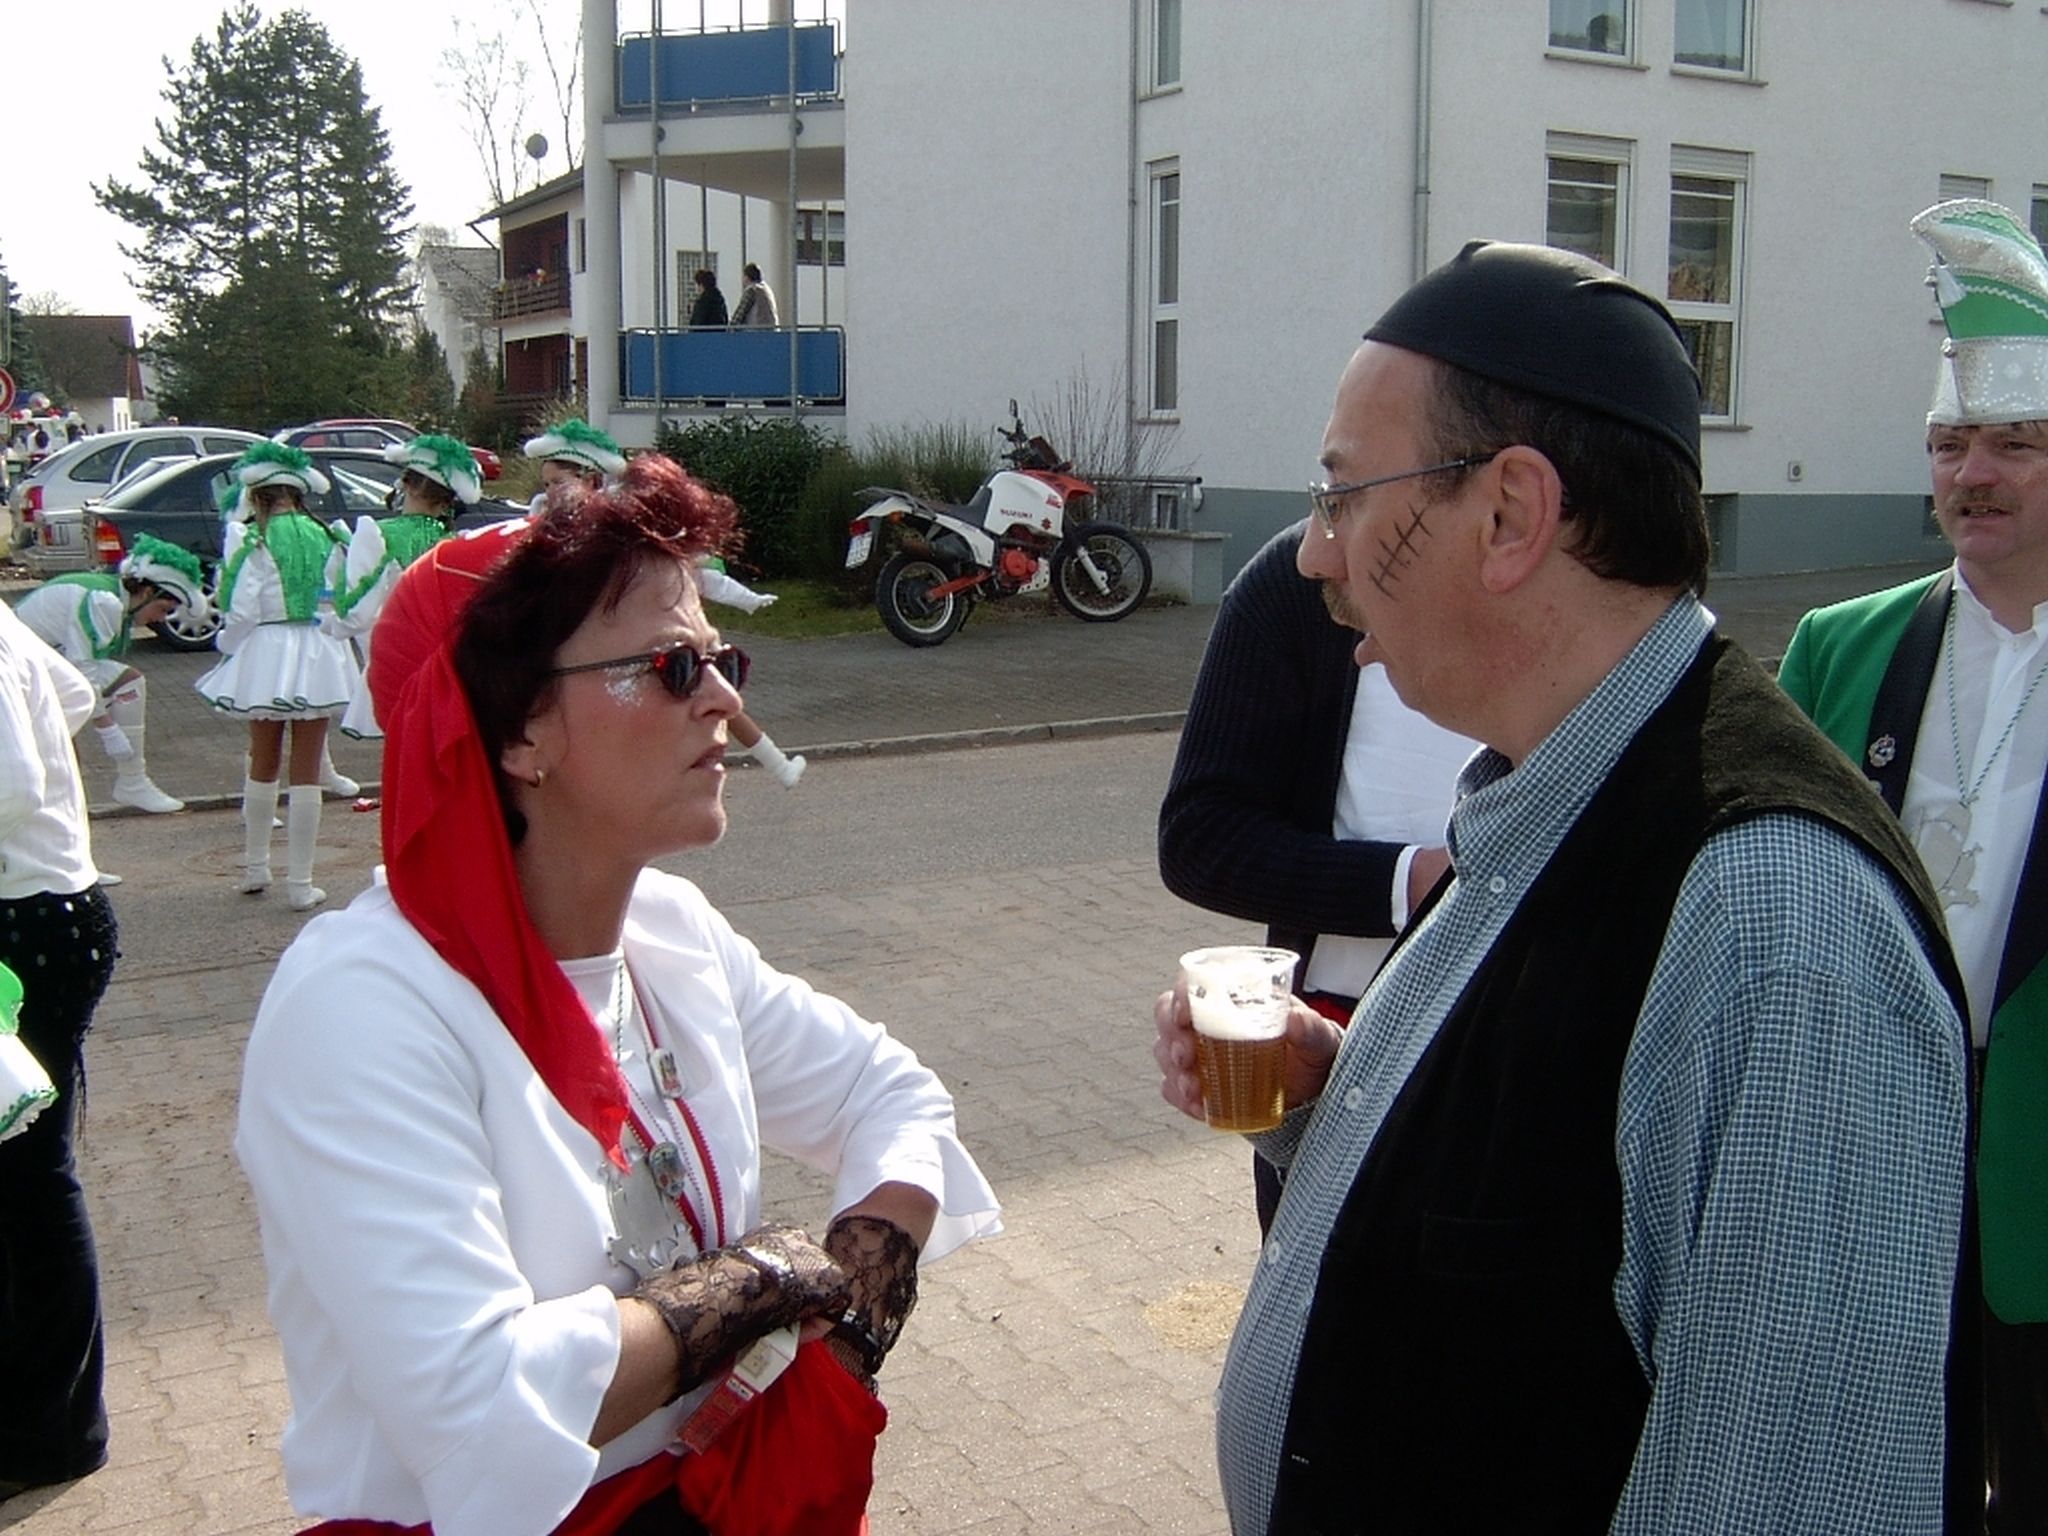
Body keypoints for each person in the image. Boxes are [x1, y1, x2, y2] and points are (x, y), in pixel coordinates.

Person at [1151, 241, 1982, 1534]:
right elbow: (1558, 1218)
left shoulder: (1773, 919)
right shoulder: (1552, 796)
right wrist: (1335, 1100)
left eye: (1341, 494)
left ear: (1509, 516)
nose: (1314, 554)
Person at [235, 453, 999, 1535]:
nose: (728, 701)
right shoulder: (362, 1006)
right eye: (672, 666)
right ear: (517, 731)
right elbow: (475, 1408)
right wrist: (750, 1283)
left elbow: (892, 1093)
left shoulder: (669, 933)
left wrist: (854, 1299)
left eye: (721, 658)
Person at [1779, 198, 2048, 1535]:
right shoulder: (1838, 646)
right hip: (1875, 1174)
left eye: (2014, 443)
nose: (1972, 474)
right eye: (1950, 444)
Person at [1159, 521, 1473, 1233]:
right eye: (1329, 483)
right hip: (1331, 1041)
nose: (1318, 547)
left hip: (1530, 1054)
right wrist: (1411, 883)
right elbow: (1197, 838)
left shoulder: (1588, 579)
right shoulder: (1300, 580)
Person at [0, 598, 118, 1502]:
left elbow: (13, 779)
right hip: (45, 910)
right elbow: (73, 692)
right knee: (25, 1179)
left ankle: (54, 1430)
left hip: (29, 923)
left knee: (29, 1179)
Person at [195, 443, 356, 912]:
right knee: (308, 767)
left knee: (262, 759)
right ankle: (301, 883)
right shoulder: (327, 533)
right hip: (318, 648)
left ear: (256, 495)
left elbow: (241, 608)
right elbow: (338, 598)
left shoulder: (250, 537)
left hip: (266, 649)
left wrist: (229, 645)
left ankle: (255, 867)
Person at [14, 532, 211, 814]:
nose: (160, 618)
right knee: (59, 738)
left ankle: (131, 782)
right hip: (17, 670)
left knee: (128, 682)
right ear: (146, 593)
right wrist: (107, 729)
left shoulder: (109, 597)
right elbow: (83, 671)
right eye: (163, 608)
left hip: (32, 664)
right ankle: (64, 808)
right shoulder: (104, 602)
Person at [331, 435, 476, 741]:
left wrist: (331, 627)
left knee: (400, 752)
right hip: (450, 666)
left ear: (407, 485)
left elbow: (358, 611)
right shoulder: (458, 543)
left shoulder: (376, 533)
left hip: (396, 658)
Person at [730, 263, 778, 329]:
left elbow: (738, 317)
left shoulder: (752, 290)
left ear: (746, 277)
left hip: (756, 332)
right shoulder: (767, 289)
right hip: (772, 331)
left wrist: (730, 327)